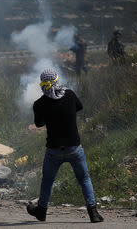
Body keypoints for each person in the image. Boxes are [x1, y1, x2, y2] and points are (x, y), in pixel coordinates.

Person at [26, 68, 103, 223]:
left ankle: (41, 211)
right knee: (84, 179)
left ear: (42, 84)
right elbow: (79, 107)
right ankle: (93, 213)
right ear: (57, 80)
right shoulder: (69, 95)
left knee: (47, 181)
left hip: (53, 149)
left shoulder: (39, 104)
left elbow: (39, 123)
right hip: (74, 147)